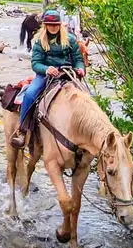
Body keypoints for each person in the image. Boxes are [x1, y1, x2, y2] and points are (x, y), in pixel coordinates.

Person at [10, 9, 85, 149]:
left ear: (60, 25)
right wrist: (46, 69)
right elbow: (35, 63)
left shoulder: (70, 39)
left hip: (67, 73)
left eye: (56, 24)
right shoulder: (39, 40)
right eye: (50, 25)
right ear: (45, 25)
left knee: (88, 96)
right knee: (30, 94)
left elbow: (78, 59)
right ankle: (22, 130)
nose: (53, 27)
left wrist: (80, 69)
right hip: (45, 75)